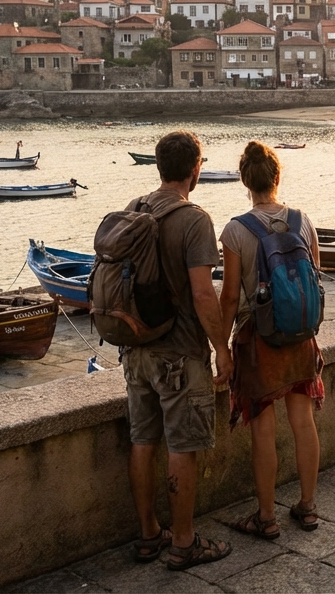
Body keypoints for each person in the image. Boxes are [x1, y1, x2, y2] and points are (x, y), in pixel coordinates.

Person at [125, 131, 233, 571]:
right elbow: (203, 294)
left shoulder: (135, 208)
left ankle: (149, 534)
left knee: (142, 440)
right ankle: (184, 542)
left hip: (135, 350)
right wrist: (221, 348)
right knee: (182, 446)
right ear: (196, 169)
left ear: (158, 167)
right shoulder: (194, 219)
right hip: (179, 355)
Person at [219, 142, 325, 540]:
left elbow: (230, 297)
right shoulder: (303, 221)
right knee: (303, 421)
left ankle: (266, 518)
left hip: (258, 340)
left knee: (263, 429)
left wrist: (220, 348)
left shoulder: (236, 230)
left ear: (245, 181)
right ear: (277, 177)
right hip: (300, 337)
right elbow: (315, 276)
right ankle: (308, 507)